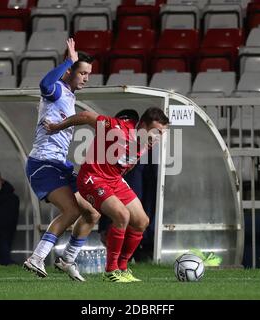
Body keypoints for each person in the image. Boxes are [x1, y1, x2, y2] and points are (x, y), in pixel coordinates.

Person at [43, 107, 170, 282]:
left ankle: (123, 268)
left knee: (142, 221)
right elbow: (87, 116)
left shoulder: (146, 142)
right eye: (154, 132)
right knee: (122, 215)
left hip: (114, 180)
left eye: (161, 134)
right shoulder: (118, 128)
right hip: (92, 178)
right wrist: (57, 126)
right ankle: (111, 270)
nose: (156, 138)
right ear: (141, 125)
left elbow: (126, 162)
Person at [23, 38, 101, 281]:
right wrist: (68, 60)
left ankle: (67, 260)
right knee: (71, 209)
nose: (86, 78)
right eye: (82, 72)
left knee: (92, 213)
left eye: (89, 73)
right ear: (69, 72)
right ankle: (36, 258)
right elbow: (44, 83)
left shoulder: (69, 96)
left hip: (60, 164)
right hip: (43, 163)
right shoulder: (57, 90)